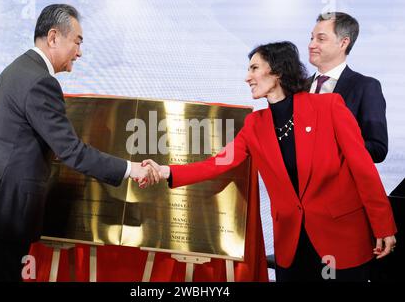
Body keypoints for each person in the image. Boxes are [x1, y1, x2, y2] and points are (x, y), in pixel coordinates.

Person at [144, 41, 397, 281]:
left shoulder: (329, 106)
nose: (247, 77)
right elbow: (218, 163)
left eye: (254, 68)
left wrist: (383, 226)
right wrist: (165, 170)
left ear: (276, 72)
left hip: (341, 240)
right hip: (292, 245)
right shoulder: (255, 125)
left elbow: (362, 168)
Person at [0, 4, 158, 282]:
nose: (80, 52)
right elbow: (72, 151)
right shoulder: (41, 82)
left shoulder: (15, 69)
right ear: (53, 37)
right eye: (77, 42)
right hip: (5, 212)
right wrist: (130, 169)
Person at [309, 12, 388, 163]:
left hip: (340, 184)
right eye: (311, 38)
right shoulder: (296, 88)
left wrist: (329, 146)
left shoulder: (366, 87)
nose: (311, 45)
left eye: (321, 39)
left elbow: (378, 149)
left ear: (343, 43)